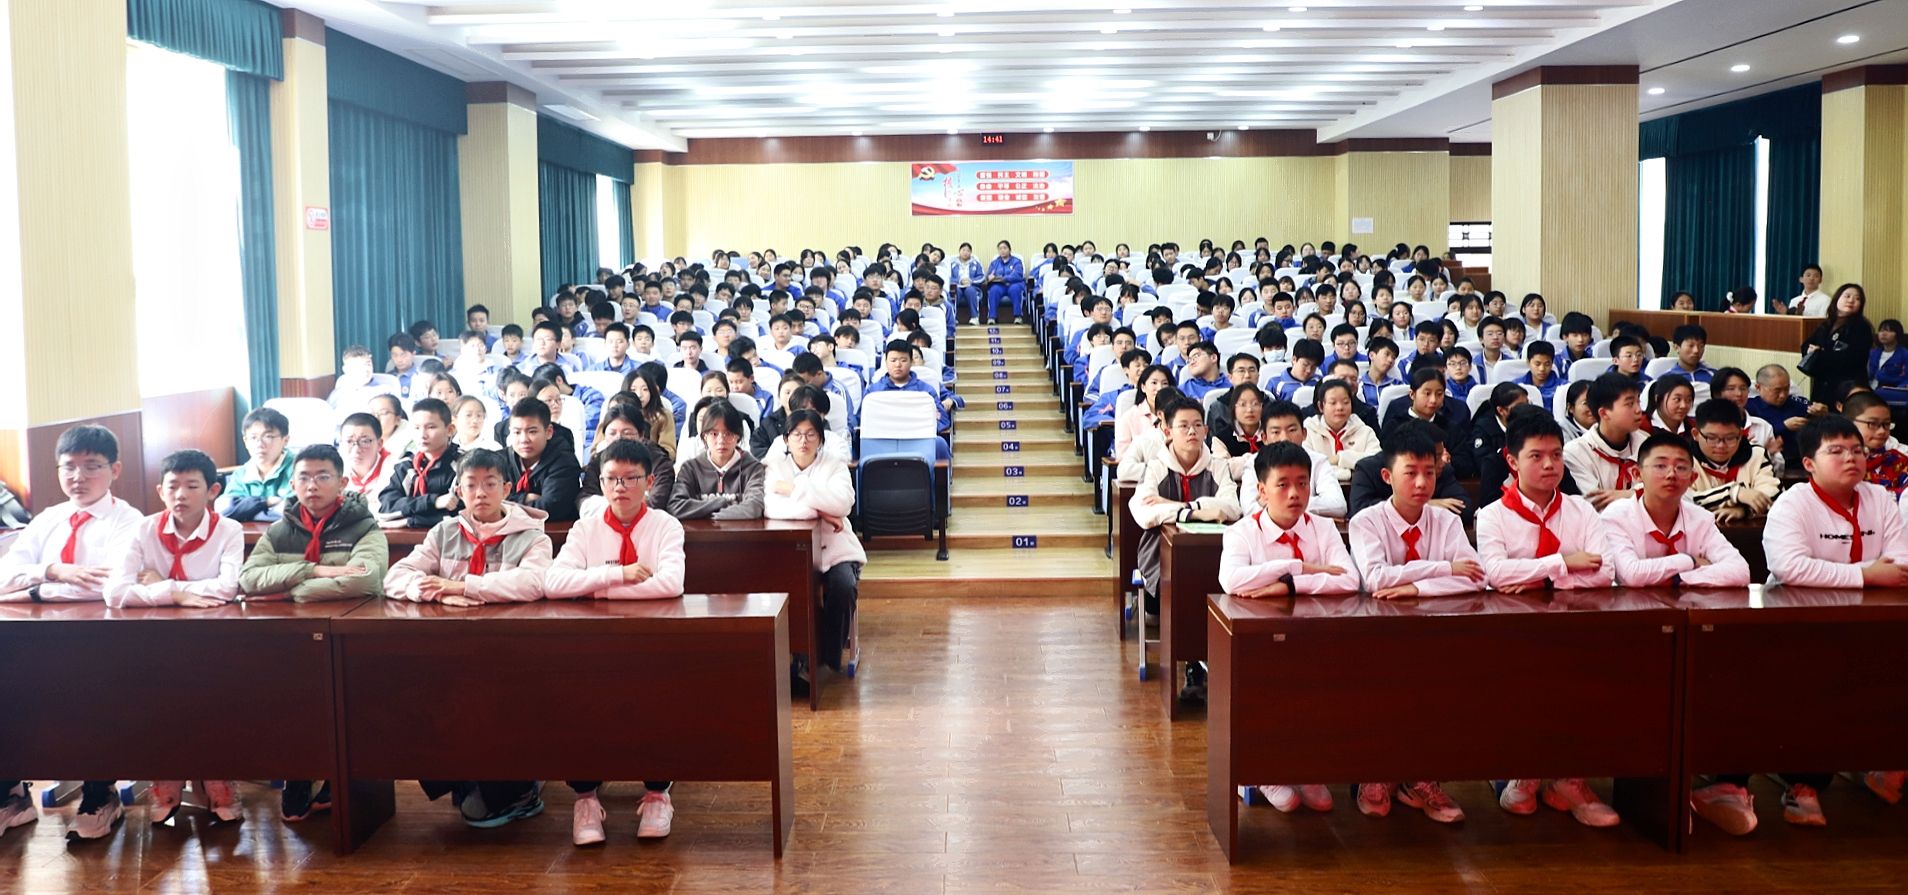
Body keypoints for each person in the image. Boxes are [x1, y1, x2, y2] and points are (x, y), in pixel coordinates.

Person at [383, 448, 552, 828]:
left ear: (506, 488)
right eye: (471, 485)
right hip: (450, 650)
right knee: (412, 691)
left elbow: (533, 583)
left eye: (490, 484)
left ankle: (518, 790)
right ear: (458, 490)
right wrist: (437, 593)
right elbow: (395, 577)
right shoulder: (443, 532)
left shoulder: (532, 536)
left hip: (510, 653)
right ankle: (463, 778)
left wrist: (462, 586)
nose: (480, 493)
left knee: (496, 700)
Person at [1757, 416, 1908, 825]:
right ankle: (1802, 783)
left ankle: (1885, 761)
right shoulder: (1793, 503)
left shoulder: (1879, 497)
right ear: (1809, 464)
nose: (1851, 459)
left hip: (1870, 619)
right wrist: (1866, 575)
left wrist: (1870, 576)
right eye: (1836, 451)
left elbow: (1900, 562)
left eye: (1857, 450)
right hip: (1801, 624)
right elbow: (1790, 567)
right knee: (1812, 692)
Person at [1475, 412, 1620, 828]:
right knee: (1522, 689)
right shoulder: (1493, 515)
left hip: (1576, 627)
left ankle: (1569, 780)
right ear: (1512, 461)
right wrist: (1564, 563)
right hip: (1514, 631)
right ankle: (1523, 771)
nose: (1549, 464)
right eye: (1536, 456)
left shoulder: (1581, 510)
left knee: (1584, 689)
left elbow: (1605, 572)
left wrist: (1534, 575)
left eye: (1556, 455)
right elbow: (1496, 574)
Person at [0, 426, 145, 838]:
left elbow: (107, 585)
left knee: (91, 697)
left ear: (115, 469)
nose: (78, 477)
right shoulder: (48, 518)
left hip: (98, 640)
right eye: (69, 467)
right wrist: (52, 571)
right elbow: (3, 575)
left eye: (91, 466)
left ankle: (100, 791)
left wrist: (33, 589)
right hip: (33, 639)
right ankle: (11, 792)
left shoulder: (128, 521)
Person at [543, 439, 686, 846]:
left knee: (656, 703)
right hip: (592, 645)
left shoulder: (665, 526)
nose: (620, 487)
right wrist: (618, 576)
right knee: (578, 703)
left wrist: (593, 589)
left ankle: (657, 793)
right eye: (611, 479)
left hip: (652, 642)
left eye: (630, 479)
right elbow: (554, 583)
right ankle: (586, 797)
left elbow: (670, 584)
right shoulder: (585, 528)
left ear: (649, 482)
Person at [238, 443, 388, 823]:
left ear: (342, 482)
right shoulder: (279, 531)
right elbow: (249, 579)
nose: (312, 485)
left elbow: (365, 580)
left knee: (350, 705)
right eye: (304, 477)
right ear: (292, 483)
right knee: (290, 704)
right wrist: (313, 570)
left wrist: (288, 591)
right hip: (291, 641)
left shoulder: (364, 526)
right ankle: (299, 773)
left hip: (351, 639)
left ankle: (343, 776)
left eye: (323, 477)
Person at [1346, 428, 1485, 822]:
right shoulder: (1367, 521)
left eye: (1430, 472)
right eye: (1411, 473)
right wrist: (1444, 569)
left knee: (1438, 699)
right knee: (1381, 699)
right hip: (1377, 637)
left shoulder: (1446, 521)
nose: (1422, 483)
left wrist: (1415, 587)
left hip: (1435, 634)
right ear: (1387, 476)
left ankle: (1421, 777)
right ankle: (1376, 773)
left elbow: (1475, 577)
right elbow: (1376, 578)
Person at [1130, 397, 1244, 699]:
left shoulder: (1217, 466)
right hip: (1160, 553)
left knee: (1215, 586)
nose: (1191, 432)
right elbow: (1144, 512)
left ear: (1206, 430)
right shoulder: (1156, 466)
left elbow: (1232, 508)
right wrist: (1197, 511)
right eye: (1183, 426)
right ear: (1168, 431)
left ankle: (1204, 663)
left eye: (1197, 425)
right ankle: (1193, 664)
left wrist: (1176, 507)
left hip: (1213, 552)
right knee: (1182, 589)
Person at [763, 410, 864, 691]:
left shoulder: (834, 465)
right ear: (786, 439)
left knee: (843, 586)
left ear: (820, 439)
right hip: (790, 551)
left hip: (835, 548)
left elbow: (843, 504)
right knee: (788, 589)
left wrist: (793, 489)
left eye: (810, 434)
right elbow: (769, 506)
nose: (803, 441)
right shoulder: (774, 466)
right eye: (796, 434)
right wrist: (821, 509)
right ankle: (795, 656)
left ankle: (825, 658)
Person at [1600, 432, 1751, 587]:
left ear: (1692, 478)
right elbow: (1631, 575)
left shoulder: (1701, 519)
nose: (1671, 474)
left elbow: (1740, 571)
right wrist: (1689, 561)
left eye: (1681, 467)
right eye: (1660, 466)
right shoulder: (1617, 517)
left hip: (1690, 600)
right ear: (1637, 474)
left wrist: (1678, 578)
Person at [1563, 373, 1648, 509]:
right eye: (1630, 404)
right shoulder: (1576, 452)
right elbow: (1597, 503)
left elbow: (1666, 493)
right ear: (1604, 413)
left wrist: (1629, 494)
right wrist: (1644, 493)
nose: (1639, 410)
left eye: (1638, 402)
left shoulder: (1646, 444)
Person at [377, 398, 464, 530]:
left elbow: (462, 516)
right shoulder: (406, 465)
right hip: (407, 540)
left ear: (450, 430)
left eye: (431, 427)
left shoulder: (465, 465)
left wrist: (409, 521)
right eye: (417, 428)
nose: (422, 435)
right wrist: (434, 501)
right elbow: (386, 510)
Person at [671, 400, 766, 520]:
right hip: (701, 532)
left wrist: (707, 513)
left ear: (738, 436)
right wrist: (722, 503)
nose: (721, 441)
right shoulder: (690, 468)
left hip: (741, 532)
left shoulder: (753, 468)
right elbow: (676, 506)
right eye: (714, 434)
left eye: (728, 434)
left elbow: (754, 507)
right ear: (704, 436)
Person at [1688, 399, 1780, 522]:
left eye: (1730, 438)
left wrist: (1744, 509)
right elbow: (1685, 500)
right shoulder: (1683, 460)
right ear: (1696, 434)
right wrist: (1734, 493)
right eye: (1712, 438)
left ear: (1741, 435)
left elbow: (1773, 493)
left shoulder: (1756, 455)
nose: (1721, 445)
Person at [505, 397, 583, 522]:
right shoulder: (500, 460)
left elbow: (550, 508)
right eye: (517, 432)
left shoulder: (564, 462)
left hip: (554, 532)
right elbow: (487, 501)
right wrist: (525, 498)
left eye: (532, 432)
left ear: (549, 432)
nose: (524, 439)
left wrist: (505, 505)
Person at [1802, 283, 1874, 405]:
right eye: (1847, 296)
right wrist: (1811, 350)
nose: (1851, 300)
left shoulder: (1861, 327)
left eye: (1857, 298)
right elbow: (1807, 344)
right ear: (1837, 299)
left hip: (1847, 385)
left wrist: (1821, 353)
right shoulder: (1827, 324)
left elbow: (1853, 358)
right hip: (1823, 383)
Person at [218, 407, 294, 522]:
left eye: (268, 436)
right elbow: (225, 509)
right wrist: (266, 502)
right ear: (246, 442)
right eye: (253, 437)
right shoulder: (241, 474)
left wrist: (248, 511)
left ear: (285, 440)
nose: (260, 444)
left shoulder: (298, 468)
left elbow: (295, 511)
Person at [1302, 380, 1378, 483]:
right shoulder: (1308, 431)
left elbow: (1377, 461)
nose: (1340, 407)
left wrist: (1339, 458)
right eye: (1333, 403)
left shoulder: (1364, 431)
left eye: (1345, 402)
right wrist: (1349, 473)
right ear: (1321, 406)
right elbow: (1308, 466)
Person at [1747, 364, 1815, 468]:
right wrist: (1783, 426)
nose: (1783, 395)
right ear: (1758, 387)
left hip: (1802, 459)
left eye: (1786, 389)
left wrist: (1821, 413)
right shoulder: (1750, 407)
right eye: (1777, 390)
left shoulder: (1797, 403)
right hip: (1766, 461)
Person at [982, 239, 1027, 324]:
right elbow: (989, 276)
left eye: (1005, 248)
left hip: (1013, 284)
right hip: (999, 285)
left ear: (1009, 250)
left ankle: (1018, 317)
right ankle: (992, 317)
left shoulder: (1017, 261)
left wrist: (1003, 278)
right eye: (1000, 249)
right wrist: (989, 277)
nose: (1002, 250)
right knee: (994, 290)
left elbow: (1018, 275)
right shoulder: (995, 263)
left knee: (1015, 289)